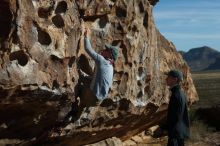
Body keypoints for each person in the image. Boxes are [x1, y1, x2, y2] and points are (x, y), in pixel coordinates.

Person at [78, 27, 119, 107]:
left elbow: (88, 49)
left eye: (106, 50)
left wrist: (86, 36)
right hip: (99, 101)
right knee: (87, 79)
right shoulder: (111, 67)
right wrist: (85, 76)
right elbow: (99, 79)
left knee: (79, 89)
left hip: (92, 97)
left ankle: (77, 108)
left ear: (109, 55)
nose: (103, 50)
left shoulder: (102, 60)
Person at [159, 70, 190, 146]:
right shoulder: (180, 93)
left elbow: (175, 117)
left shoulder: (176, 95)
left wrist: (163, 127)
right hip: (179, 133)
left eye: (168, 77)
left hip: (175, 134)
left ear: (175, 79)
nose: (166, 79)